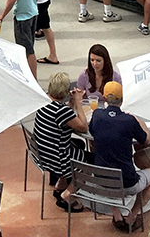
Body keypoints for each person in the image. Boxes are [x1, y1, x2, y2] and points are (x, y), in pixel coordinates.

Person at [87, 82, 150, 232]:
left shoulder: (97, 115)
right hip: (126, 183)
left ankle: (116, 214)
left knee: (109, 165)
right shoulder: (129, 121)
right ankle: (131, 216)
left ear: (104, 98)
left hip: (101, 180)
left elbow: (92, 133)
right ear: (122, 99)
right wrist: (140, 123)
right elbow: (146, 140)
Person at [32, 72, 89, 210]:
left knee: (79, 144)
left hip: (43, 155)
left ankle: (60, 185)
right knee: (91, 161)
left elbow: (64, 117)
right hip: (57, 160)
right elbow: (83, 127)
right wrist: (78, 103)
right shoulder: (61, 111)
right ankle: (68, 194)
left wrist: (71, 103)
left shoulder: (44, 103)